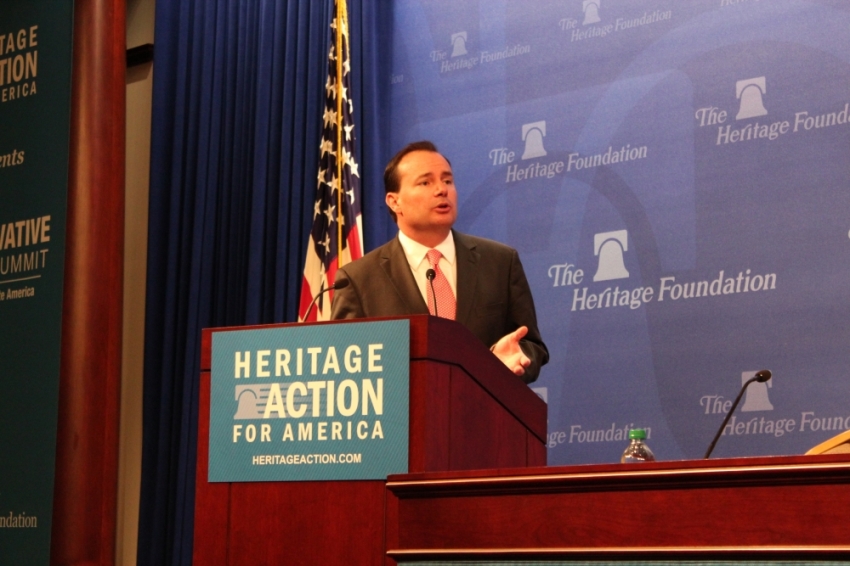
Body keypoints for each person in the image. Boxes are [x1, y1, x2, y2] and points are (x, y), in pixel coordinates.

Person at [331, 141, 548, 382]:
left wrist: (511, 361)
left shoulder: (500, 262)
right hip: (402, 417)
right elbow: (345, 367)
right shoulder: (358, 280)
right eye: (426, 182)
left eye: (447, 181)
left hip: (484, 414)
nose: (441, 190)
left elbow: (531, 345)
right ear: (394, 201)